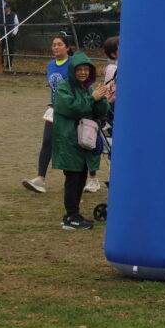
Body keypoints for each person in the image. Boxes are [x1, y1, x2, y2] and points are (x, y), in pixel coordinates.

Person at [51, 51, 109, 229]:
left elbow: (99, 111)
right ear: (72, 70)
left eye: (86, 69)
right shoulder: (64, 88)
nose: (83, 72)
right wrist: (92, 98)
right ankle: (71, 217)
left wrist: (101, 98)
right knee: (73, 178)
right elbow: (72, 108)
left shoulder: (88, 88)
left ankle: (74, 214)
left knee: (82, 176)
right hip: (69, 141)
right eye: (79, 69)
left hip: (84, 141)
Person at [23, 35, 73, 194]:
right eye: (53, 44)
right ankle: (40, 179)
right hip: (54, 110)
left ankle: (91, 177)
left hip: (70, 110)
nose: (55, 47)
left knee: (73, 145)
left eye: (59, 44)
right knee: (47, 141)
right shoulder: (51, 64)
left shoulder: (73, 63)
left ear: (67, 47)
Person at [85, 35, 120, 194]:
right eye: (120, 47)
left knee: (114, 145)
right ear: (113, 53)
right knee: (109, 144)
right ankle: (101, 178)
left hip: (116, 108)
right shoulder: (113, 68)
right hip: (112, 109)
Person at [0, 3, 19, 70]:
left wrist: (14, 33)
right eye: (3, 9)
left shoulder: (14, 15)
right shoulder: (0, 14)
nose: (3, 10)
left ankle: (9, 65)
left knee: (10, 50)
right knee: (0, 50)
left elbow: (16, 25)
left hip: (10, 36)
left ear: (9, 8)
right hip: (2, 35)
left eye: (5, 8)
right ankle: (0, 64)